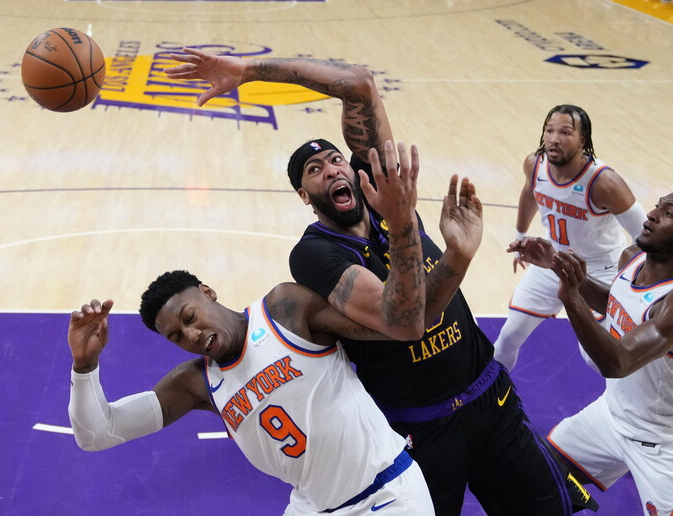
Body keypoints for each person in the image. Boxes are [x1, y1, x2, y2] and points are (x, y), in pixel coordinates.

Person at [165, 49, 596, 515]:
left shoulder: (379, 191)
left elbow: (359, 84)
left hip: (490, 401)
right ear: (303, 195)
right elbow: (406, 322)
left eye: (335, 161)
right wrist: (449, 250)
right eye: (315, 171)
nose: (331, 170)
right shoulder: (315, 254)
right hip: (420, 432)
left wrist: (250, 71)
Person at [67, 144, 436, 515]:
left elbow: (395, 325)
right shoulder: (197, 383)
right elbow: (99, 433)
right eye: (177, 336)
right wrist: (84, 366)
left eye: (190, 317)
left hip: (387, 494)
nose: (191, 335)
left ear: (208, 293)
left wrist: (431, 244)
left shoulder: (284, 310)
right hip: (313, 507)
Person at [511, 190, 673, 515]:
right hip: (613, 415)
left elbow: (617, 362)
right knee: (542, 471)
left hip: (665, 443)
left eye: (668, 213)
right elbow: (614, 300)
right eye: (658, 205)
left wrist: (571, 297)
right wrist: (555, 265)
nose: (652, 214)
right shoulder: (631, 257)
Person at [493, 104, 647, 372]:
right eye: (549, 131)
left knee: (596, 359)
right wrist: (520, 235)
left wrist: (632, 278)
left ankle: (627, 407)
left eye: (565, 132)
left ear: (582, 140)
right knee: (508, 337)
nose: (554, 139)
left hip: (598, 270)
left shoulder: (605, 182)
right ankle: (491, 399)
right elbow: (530, 193)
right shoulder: (535, 164)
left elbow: (644, 234)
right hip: (552, 263)